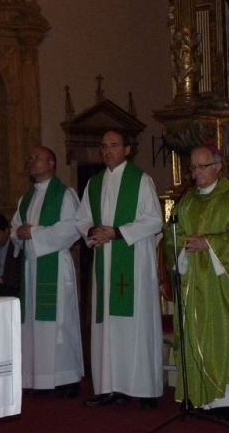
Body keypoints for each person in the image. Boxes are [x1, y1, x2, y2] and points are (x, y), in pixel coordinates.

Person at [163, 144, 229, 421]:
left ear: (218, 167)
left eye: (201, 167)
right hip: (193, 283)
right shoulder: (186, 201)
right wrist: (182, 244)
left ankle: (228, 401)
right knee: (195, 336)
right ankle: (198, 397)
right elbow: (171, 233)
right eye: (193, 168)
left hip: (223, 285)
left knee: (223, 338)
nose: (195, 173)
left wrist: (209, 243)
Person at [76, 129, 163, 410]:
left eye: (114, 145)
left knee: (137, 324)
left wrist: (115, 232)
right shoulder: (95, 183)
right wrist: (92, 230)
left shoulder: (140, 180)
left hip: (134, 262)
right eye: (103, 146)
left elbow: (153, 220)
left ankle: (145, 388)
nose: (108, 151)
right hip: (105, 262)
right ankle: (111, 387)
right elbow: (82, 218)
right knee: (107, 328)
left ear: (128, 149)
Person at [11, 146, 83, 399]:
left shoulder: (64, 194)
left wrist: (35, 233)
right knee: (33, 325)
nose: (31, 162)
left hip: (55, 266)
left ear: (51, 163)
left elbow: (73, 228)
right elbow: (16, 226)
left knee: (60, 324)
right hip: (32, 269)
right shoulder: (26, 197)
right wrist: (19, 234)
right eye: (30, 158)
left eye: (37, 158)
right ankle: (39, 379)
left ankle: (67, 379)